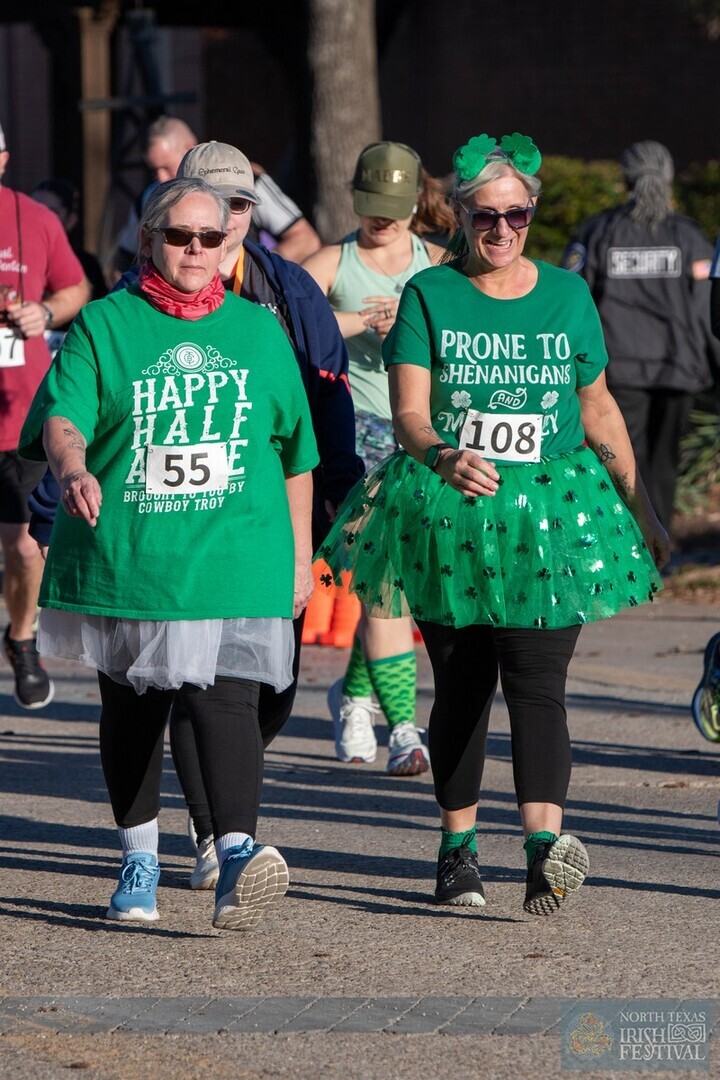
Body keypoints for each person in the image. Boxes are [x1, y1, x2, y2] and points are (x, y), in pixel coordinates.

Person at [316, 132, 670, 915]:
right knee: (467, 686)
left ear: (531, 214)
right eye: (487, 216)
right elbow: (408, 413)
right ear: (462, 218)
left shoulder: (567, 296)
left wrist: (639, 502)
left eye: (516, 216)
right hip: (453, 512)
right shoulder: (431, 296)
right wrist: (443, 453)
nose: (502, 230)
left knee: (540, 686)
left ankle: (545, 851)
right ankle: (458, 848)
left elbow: (598, 405)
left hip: (553, 512)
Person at [18, 177, 319, 930]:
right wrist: (74, 466)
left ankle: (236, 857)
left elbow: (296, 454)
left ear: (229, 246)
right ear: (149, 240)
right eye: (178, 236)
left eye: (209, 238)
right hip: (134, 553)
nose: (194, 250)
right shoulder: (105, 324)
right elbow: (63, 417)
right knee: (134, 707)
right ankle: (139, 854)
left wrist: (299, 557)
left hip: (234, 548)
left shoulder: (258, 330)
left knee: (227, 699)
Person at [304, 141, 450, 776]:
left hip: (425, 438)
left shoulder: (440, 261)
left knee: (400, 587)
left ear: (416, 200)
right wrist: (358, 321)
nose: (381, 220)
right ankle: (401, 729)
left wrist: (415, 328)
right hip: (357, 434)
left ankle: (356, 696)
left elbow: (471, 335)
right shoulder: (332, 261)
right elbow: (285, 326)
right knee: (380, 580)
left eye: (394, 207)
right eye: (371, 207)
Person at [562, 140, 717, 539]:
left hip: (619, 369)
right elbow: (706, 307)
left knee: (623, 461)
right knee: (665, 462)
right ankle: (660, 547)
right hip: (677, 367)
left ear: (625, 179)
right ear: (667, 179)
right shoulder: (688, 236)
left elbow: (572, 298)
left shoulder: (600, 230)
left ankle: (625, 544)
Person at [0, 120, 89, 709]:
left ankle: (22, 638)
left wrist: (44, 313)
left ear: (4, 156)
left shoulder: (34, 218)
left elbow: (76, 289)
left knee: (27, 547)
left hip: (19, 415)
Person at [113, 117, 321, 273]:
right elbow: (124, 260)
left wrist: (256, 271)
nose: (161, 178)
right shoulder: (149, 197)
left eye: (167, 168)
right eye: (153, 170)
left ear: (189, 147)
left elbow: (306, 240)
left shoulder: (247, 180)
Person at [31, 178, 108, 350]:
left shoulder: (87, 264)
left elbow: (98, 317)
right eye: (34, 209)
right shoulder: (13, 257)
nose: (40, 218)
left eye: (51, 212)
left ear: (71, 220)